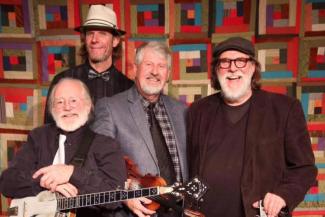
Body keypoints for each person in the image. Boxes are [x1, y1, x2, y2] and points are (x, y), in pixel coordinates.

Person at [187, 37, 317, 217]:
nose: (233, 68)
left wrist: (283, 196)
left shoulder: (285, 109)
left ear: (253, 67)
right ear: (216, 70)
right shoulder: (198, 110)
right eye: (225, 62)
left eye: (241, 61)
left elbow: (305, 168)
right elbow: (186, 164)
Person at [0, 78, 127, 217]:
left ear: (88, 104)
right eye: (60, 102)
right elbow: (7, 182)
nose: (67, 107)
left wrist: (71, 173)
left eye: (73, 100)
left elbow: (116, 196)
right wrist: (47, 183)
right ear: (52, 109)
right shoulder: (38, 137)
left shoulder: (107, 145)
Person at [92, 41, 188, 217]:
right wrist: (124, 194)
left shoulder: (182, 111)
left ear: (167, 74)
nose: (155, 71)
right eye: (148, 64)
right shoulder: (110, 108)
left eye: (161, 66)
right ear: (135, 69)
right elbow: (97, 161)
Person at [44, 4, 133, 123]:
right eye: (90, 33)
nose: (94, 39)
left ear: (115, 40)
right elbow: (48, 131)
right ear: (84, 38)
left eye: (102, 33)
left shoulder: (128, 88)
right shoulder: (62, 81)